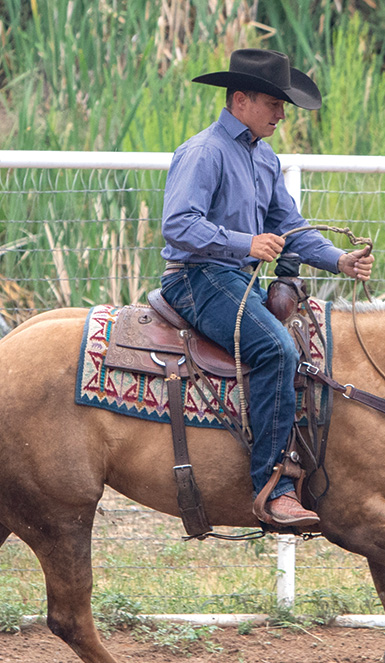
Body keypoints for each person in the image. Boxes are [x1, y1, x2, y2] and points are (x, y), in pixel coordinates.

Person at [160, 48, 374, 527]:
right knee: (278, 350)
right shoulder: (204, 152)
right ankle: (271, 488)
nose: (282, 114)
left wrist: (338, 260)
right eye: (274, 104)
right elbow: (177, 225)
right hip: (197, 278)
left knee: (316, 340)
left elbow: (290, 225)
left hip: (235, 279)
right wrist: (246, 242)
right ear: (241, 100)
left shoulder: (264, 157)